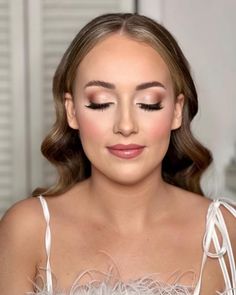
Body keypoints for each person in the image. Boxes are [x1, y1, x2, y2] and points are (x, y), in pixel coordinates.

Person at [0, 13, 235, 295]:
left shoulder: (226, 234)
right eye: (101, 103)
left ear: (176, 112)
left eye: (149, 103)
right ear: (72, 111)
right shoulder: (28, 230)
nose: (125, 126)